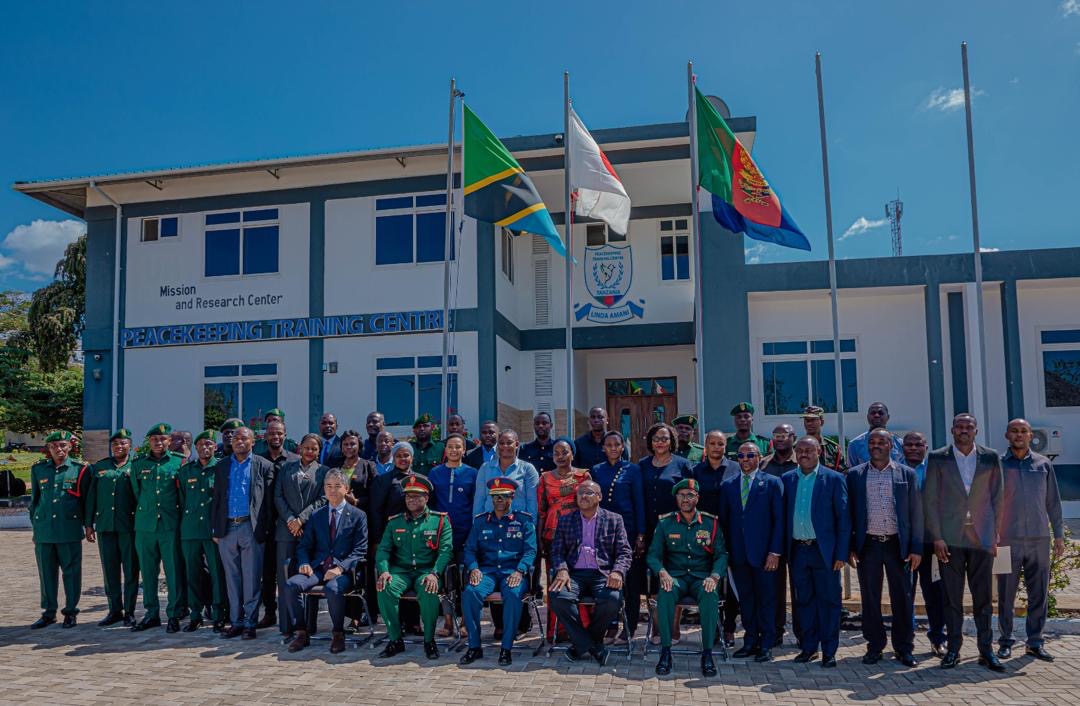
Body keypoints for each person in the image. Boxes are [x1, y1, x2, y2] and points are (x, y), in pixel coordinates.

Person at [924, 413, 1004, 671]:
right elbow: (931, 500)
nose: (964, 430)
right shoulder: (938, 457)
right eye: (959, 426)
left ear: (976, 430)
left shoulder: (990, 456)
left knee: (983, 599)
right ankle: (954, 650)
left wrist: (995, 535)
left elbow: (998, 498)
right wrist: (937, 536)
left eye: (968, 426)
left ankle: (986, 651)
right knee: (951, 598)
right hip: (951, 539)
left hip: (981, 539)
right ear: (952, 430)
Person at [847, 429, 922, 667]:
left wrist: (916, 548)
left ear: (892, 446)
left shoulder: (906, 474)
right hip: (868, 545)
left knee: (903, 597)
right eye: (872, 442)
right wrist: (850, 546)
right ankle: (874, 646)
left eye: (882, 442)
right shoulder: (855, 475)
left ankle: (904, 647)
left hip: (897, 545)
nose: (876, 446)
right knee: (870, 599)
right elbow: (849, 513)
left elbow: (916, 514)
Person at [996, 418, 1065, 662]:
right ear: (1007, 436)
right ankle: (1005, 641)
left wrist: (1058, 535)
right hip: (1004, 541)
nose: (1019, 435)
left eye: (1023, 431)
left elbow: (1053, 503)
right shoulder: (998, 465)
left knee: (1039, 593)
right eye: (1014, 431)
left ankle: (1035, 642)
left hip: (1039, 540)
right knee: (1005, 593)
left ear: (1030, 435)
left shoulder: (1043, 464)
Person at [649, 478, 728, 677]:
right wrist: (662, 572)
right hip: (675, 577)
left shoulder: (711, 523)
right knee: (665, 592)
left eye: (690, 495)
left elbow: (721, 555)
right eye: (681, 495)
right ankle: (666, 651)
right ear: (676, 498)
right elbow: (653, 555)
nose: (685, 499)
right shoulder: (665, 523)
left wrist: (715, 576)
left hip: (702, 578)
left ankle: (707, 653)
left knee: (710, 595)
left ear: (697, 498)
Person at [548, 481, 633, 665]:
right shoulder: (566, 519)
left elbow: (625, 552)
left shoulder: (614, 519)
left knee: (612, 598)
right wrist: (562, 569)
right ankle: (593, 646)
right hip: (574, 573)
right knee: (558, 596)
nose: (583, 496)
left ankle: (582, 645)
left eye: (588, 493)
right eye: (580, 494)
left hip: (602, 573)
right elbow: (556, 551)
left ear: (599, 497)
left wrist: (617, 572)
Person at [284, 470, 368, 654]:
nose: (333, 490)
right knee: (291, 585)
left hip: (344, 571)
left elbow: (360, 550)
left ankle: (338, 633)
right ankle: (301, 632)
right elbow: (304, 545)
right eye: (329, 486)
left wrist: (340, 568)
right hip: (318, 567)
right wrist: (304, 562)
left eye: (337, 486)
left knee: (333, 588)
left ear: (346, 489)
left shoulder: (358, 515)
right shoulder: (317, 515)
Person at [783, 436, 849, 668]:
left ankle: (829, 651)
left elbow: (843, 519)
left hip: (825, 553)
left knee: (829, 602)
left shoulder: (833, 479)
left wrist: (841, 554)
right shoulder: (788, 479)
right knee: (804, 602)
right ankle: (809, 647)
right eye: (799, 450)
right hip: (798, 551)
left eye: (808, 450)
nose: (803, 454)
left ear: (818, 451)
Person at [459, 477, 538, 666]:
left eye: (502, 497)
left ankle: (506, 648)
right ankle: (474, 646)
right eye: (495, 497)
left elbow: (530, 551)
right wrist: (473, 568)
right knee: (471, 593)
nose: (498, 501)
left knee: (512, 594)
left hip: (513, 570)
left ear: (512, 497)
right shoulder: (481, 522)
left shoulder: (523, 521)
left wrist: (520, 571)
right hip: (487, 571)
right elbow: (469, 549)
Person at [718, 441, 783, 662]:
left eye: (750, 455)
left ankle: (767, 643)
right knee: (746, 599)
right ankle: (750, 640)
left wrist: (775, 551)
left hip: (765, 555)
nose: (745, 459)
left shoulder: (772, 483)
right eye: (741, 456)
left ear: (759, 456)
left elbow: (779, 521)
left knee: (766, 599)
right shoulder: (728, 485)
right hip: (739, 554)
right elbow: (725, 522)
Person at [375, 474, 453, 659]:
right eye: (408, 496)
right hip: (400, 571)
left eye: (417, 496)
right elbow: (383, 550)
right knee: (385, 588)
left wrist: (435, 573)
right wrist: (384, 571)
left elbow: (446, 551)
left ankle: (429, 641)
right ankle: (395, 640)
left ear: (426, 498)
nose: (411, 500)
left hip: (426, 571)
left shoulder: (439, 520)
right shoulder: (395, 522)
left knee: (429, 590)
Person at [473, 428, 540, 638]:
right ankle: (500, 624)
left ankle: (521, 623)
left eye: (509, 443)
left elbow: (532, 502)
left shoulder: (527, 469)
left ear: (517, 445)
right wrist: (478, 526)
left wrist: (530, 528)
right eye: (501, 443)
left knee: (516, 574)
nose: (505, 447)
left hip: (518, 528)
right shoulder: (486, 468)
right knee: (493, 567)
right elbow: (480, 499)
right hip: (490, 528)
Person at [211, 426, 275, 639]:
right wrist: (215, 528)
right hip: (227, 528)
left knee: (251, 577)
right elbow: (217, 499)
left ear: (253, 441)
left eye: (244, 438)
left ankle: (250, 623)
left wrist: (265, 529)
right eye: (235, 438)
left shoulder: (263, 466)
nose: (239, 441)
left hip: (251, 527)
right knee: (232, 578)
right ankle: (236, 621)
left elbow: (268, 502)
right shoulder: (221, 466)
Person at [639, 422, 695, 643]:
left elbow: (690, 498)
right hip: (650, 531)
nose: (660, 442)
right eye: (656, 438)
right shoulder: (642, 465)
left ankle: (673, 629)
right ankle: (657, 628)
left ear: (672, 441)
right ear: (650, 442)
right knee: (653, 581)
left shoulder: (683, 465)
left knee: (672, 579)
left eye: (664, 438)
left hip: (676, 531)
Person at [29, 430, 91, 629]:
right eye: (54, 446)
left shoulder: (80, 469)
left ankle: (71, 612)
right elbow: (35, 501)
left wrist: (88, 525)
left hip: (69, 529)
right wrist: (36, 527)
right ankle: (48, 612)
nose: (59, 449)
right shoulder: (39, 469)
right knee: (46, 574)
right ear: (49, 449)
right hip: (44, 531)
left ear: (70, 446)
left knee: (71, 573)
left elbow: (87, 501)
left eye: (63, 445)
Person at [590, 430, 646, 644]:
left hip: (628, 530)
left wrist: (640, 534)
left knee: (630, 582)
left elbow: (639, 502)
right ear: (603, 448)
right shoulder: (597, 470)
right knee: (606, 579)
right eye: (609, 445)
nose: (613, 448)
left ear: (623, 447)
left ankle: (629, 626)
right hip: (603, 532)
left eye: (617, 445)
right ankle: (610, 625)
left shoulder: (632, 469)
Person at [130, 423, 186, 633]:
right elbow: (137, 493)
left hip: (170, 525)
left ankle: (173, 614)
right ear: (149, 442)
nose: (158, 442)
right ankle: (151, 613)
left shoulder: (179, 462)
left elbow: (181, 496)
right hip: (145, 526)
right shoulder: (138, 464)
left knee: (173, 571)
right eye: (154, 439)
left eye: (162, 439)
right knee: (148, 572)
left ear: (169, 441)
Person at [273, 434, 330, 637]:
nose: (309, 451)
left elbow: (323, 499)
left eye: (314, 449)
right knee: (285, 576)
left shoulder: (324, 472)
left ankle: (309, 625)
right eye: (306, 447)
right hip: (286, 530)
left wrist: (302, 519)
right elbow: (277, 496)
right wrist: (291, 520)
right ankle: (287, 626)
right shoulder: (286, 468)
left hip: (310, 529)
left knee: (309, 574)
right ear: (299, 448)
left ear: (318, 451)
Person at [537, 437, 591, 640]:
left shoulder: (583, 476)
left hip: (577, 533)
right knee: (556, 582)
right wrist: (540, 538)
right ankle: (556, 630)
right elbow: (541, 511)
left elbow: (590, 503)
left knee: (577, 580)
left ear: (572, 454)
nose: (560, 456)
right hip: (552, 534)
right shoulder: (544, 478)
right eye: (556, 453)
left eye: (564, 452)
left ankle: (582, 628)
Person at [692, 430, 741, 647]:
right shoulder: (695, 471)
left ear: (725, 446)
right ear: (705, 446)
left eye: (720, 444)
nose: (716, 447)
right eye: (712, 443)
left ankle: (729, 628)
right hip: (704, 534)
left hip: (730, 532)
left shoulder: (735, 468)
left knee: (729, 585)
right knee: (708, 581)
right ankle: (711, 628)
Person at [85, 428, 139, 627]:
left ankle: (130, 611)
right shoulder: (100, 467)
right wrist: (88, 524)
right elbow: (91, 497)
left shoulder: (136, 466)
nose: (119, 447)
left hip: (129, 527)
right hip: (106, 526)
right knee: (110, 570)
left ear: (130, 446)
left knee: (131, 570)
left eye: (123, 443)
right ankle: (114, 610)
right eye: (115, 444)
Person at [428, 433, 478, 638]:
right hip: (441, 534)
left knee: (466, 578)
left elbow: (476, 503)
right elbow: (429, 503)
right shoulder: (435, 473)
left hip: (465, 531)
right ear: (445, 450)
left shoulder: (472, 473)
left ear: (464, 450)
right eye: (450, 447)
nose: (454, 450)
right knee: (444, 578)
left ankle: (466, 621)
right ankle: (448, 621)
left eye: (458, 447)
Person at [178, 430, 227, 632]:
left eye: (209, 444)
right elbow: (182, 499)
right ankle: (195, 615)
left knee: (217, 574)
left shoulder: (222, 468)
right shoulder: (186, 471)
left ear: (215, 447)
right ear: (195, 448)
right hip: (190, 530)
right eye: (201, 445)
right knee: (193, 575)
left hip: (212, 530)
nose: (205, 448)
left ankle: (218, 615)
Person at [903, 430, 947, 655]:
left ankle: (938, 637)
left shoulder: (935, 470)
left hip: (931, 543)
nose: (912, 448)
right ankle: (906, 640)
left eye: (917, 444)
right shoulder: (895, 471)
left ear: (925, 447)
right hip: (904, 544)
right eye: (908, 444)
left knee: (934, 592)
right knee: (904, 593)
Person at [254, 418, 298, 632]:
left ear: (285, 435)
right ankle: (269, 612)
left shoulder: (294, 460)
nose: (276, 437)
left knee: (288, 572)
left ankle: (291, 613)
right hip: (264, 524)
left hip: (288, 526)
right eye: (272, 433)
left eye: (279, 433)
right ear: (265, 436)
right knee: (267, 572)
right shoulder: (258, 460)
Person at [846, 401, 904, 467]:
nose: (876, 415)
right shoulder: (854, 444)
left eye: (880, 413)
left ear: (888, 417)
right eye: (873, 413)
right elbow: (851, 472)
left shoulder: (900, 443)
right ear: (867, 417)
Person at [801, 405, 846, 472]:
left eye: (813, 420)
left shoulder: (833, 448)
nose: (809, 423)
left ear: (822, 422)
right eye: (806, 420)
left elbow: (841, 473)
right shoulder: (796, 448)